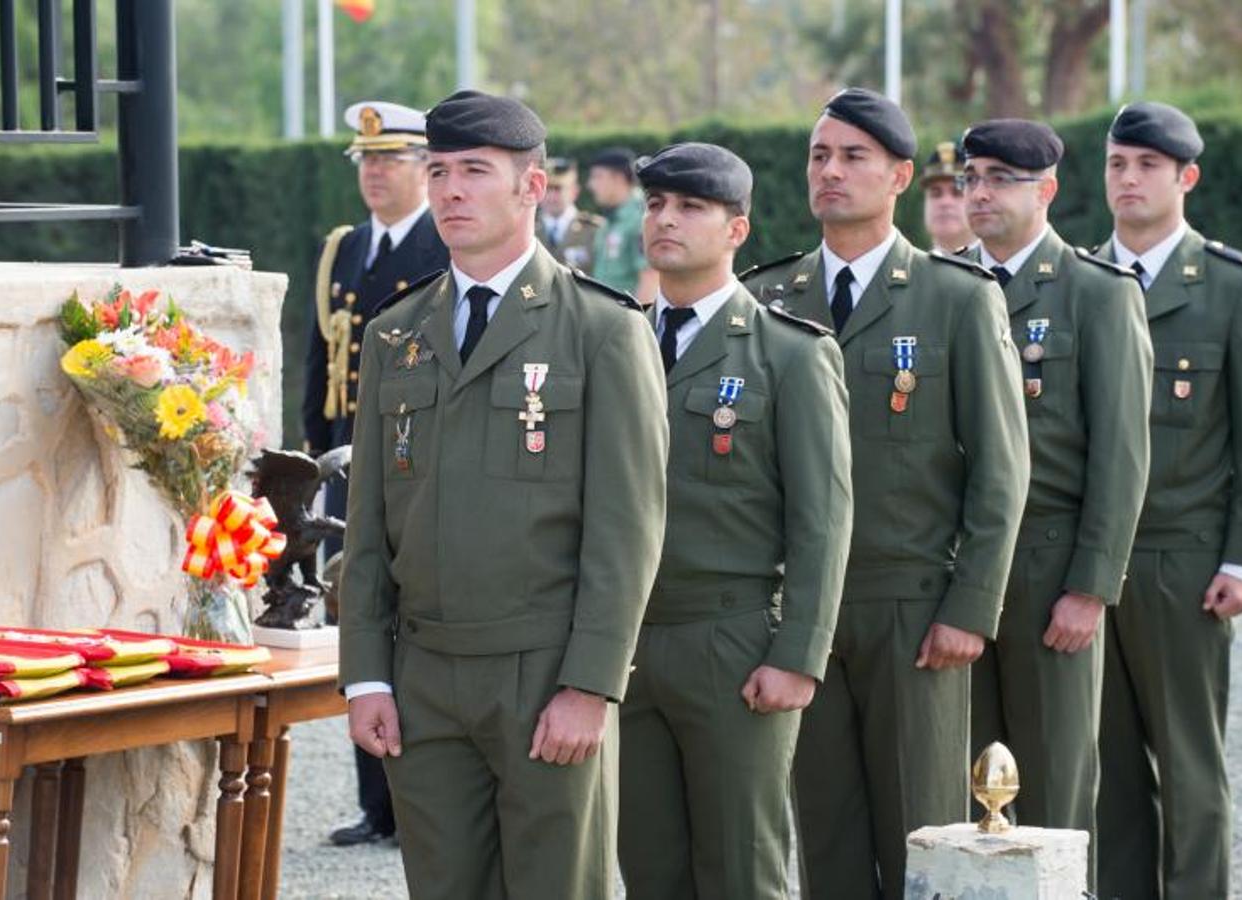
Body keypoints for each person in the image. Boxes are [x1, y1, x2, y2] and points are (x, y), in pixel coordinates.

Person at [337, 89, 669, 900]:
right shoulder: (397, 332)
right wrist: (367, 676)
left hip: (543, 672)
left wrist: (590, 685)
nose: (450, 190)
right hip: (424, 679)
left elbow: (627, 528)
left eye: (475, 172)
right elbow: (371, 522)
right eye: (439, 170)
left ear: (529, 185)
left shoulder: (601, 330)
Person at [739, 87, 1029, 900]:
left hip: (909, 604)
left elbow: (1000, 469)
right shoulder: (768, 300)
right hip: (799, 612)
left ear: (900, 176)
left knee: (923, 836)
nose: (830, 172)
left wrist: (971, 606)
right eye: (818, 156)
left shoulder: (955, 297)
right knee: (823, 833)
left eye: (853, 157)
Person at [618, 142, 853, 900]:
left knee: (741, 867)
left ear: (736, 230)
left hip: (731, 639)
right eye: (655, 204)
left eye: (690, 206)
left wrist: (798, 655)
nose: (666, 220)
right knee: (649, 867)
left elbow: (821, 518)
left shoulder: (787, 354)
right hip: (624, 645)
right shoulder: (612, 342)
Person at [1093, 101, 1242, 900]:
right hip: (1084, 568)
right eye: (1115, 164)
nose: (1128, 179)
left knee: (1189, 766)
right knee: (1103, 769)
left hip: (1182, 563)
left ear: (1186, 177)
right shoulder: (1079, 281)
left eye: (1145, 165)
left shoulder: (1234, 291)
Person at [957, 119, 1152, 883]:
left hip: (1048, 569)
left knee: (1056, 791)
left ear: (1044, 190)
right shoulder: (943, 286)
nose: (979, 192)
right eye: (971, 176)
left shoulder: (1095, 294)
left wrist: (1089, 587)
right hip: (958, 570)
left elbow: (1120, 454)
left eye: (999, 178)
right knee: (960, 786)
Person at [301, 99, 449, 848]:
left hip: (415, 463)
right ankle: (375, 805)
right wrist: (315, 453)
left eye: (390, 159)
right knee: (358, 628)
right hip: (349, 468)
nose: (375, 172)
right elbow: (318, 362)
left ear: (427, 168)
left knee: (417, 630)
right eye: (367, 160)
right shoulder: (345, 248)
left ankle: (418, 802)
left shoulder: (443, 245)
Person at [588, 146, 658, 304]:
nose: (591, 185)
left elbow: (650, 278)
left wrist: (638, 325)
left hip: (627, 322)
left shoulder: (642, 218)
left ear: (618, 179)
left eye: (597, 177)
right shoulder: (609, 221)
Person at [538, 156, 603, 271]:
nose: (551, 197)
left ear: (574, 191)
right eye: (547, 189)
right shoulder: (528, 229)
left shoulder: (594, 229)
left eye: (558, 189)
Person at [919, 140, 974, 253]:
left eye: (957, 192)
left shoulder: (999, 268)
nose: (945, 202)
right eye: (936, 194)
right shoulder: (909, 269)